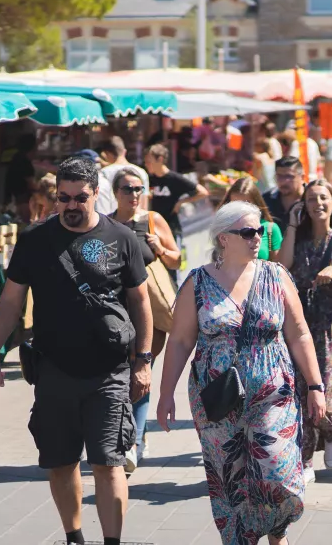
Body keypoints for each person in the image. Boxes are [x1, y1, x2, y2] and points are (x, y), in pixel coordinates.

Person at [0, 156, 154, 545]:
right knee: (60, 463)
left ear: (96, 194)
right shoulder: (34, 241)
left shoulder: (121, 238)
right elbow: (9, 303)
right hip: (54, 370)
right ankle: (74, 537)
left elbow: (140, 301)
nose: (71, 205)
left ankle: (112, 542)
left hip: (109, 371)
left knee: (108, 462)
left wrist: (142, 361)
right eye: (64, 198)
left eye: (80, 198)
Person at [156, 201, 328, 545]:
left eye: (260, 231)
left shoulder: (276, 275)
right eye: (248, 232)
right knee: (230, 479)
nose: (257, 238)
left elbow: (299, 333)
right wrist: (165, 394)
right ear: (224, 238)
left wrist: (315, 385)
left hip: (273, 391)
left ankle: (277, 529)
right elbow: (180, 341)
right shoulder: (198, 282)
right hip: (217, 396)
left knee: (277, 473)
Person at [275, 179, 332, 476]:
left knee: (324, 385)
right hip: (296, 323)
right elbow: (282, 267)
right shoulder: (298, 238)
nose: (318, 204)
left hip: (327, 326)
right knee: (300, 388)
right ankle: (306, 459)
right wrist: (291, 224)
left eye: (323, 198)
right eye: (311, 199)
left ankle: (331, 431)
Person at [109, 164, 181, 471]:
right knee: (120, 376)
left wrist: (160, 248)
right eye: (128, 189)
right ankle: (134, 434)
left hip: (150, 314)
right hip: (115, 314)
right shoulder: (106, 224)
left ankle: (132, 442)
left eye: (139, 188)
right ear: (115, 193)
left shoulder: (153, 220)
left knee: (140, 372)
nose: (135, 194)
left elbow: (177, 260)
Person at [144, 144, 208, 236]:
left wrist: (181, 202)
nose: (146, 165)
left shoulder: (174, 178)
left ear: (160, 159)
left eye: (149, 161)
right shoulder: (150, 179)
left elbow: (203, 192)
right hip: (154, 227)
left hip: (172, 228)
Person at [223, 176, 284, 261]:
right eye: (236, 204)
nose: (242, 208)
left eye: (247, 203)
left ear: (257, 203)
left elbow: (278, 266)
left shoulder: (270, 229)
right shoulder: (224, 229)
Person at [263, 156, 306, 234]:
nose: (283, 181)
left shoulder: (312, 199)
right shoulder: (266, 200)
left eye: (289, 176)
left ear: (302, 177)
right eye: (279, 176)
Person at [95, 136, 135, 216]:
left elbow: (102, 201)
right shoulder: (141, 172)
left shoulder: (104, 173)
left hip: (112, 218)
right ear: (124, 152)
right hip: (138, 220)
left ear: (107, 154)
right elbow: (144, 204)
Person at [5, 132, 39, 219]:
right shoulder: (25, 163)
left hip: (13, 198)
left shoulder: (16, 157)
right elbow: (32, 184)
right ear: (32, 148)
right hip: (23, 200)